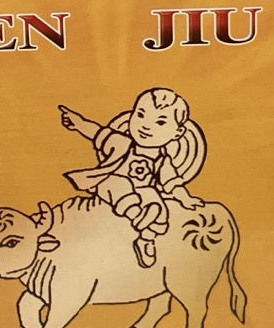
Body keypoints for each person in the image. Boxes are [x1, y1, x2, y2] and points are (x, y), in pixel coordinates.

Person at [58, 88, 206, 268]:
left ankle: (146, 240)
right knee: (118, 184)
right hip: (111, 184)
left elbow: (172, 184)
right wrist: (78, 122)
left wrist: (185, 199)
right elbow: (96, 132)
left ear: (177, 132)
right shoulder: (120, 142)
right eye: (141, 115)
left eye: (160, 122)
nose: (146, 126)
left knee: (158, 204)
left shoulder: (162, 161)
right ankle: (137, 215)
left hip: (142, 192)